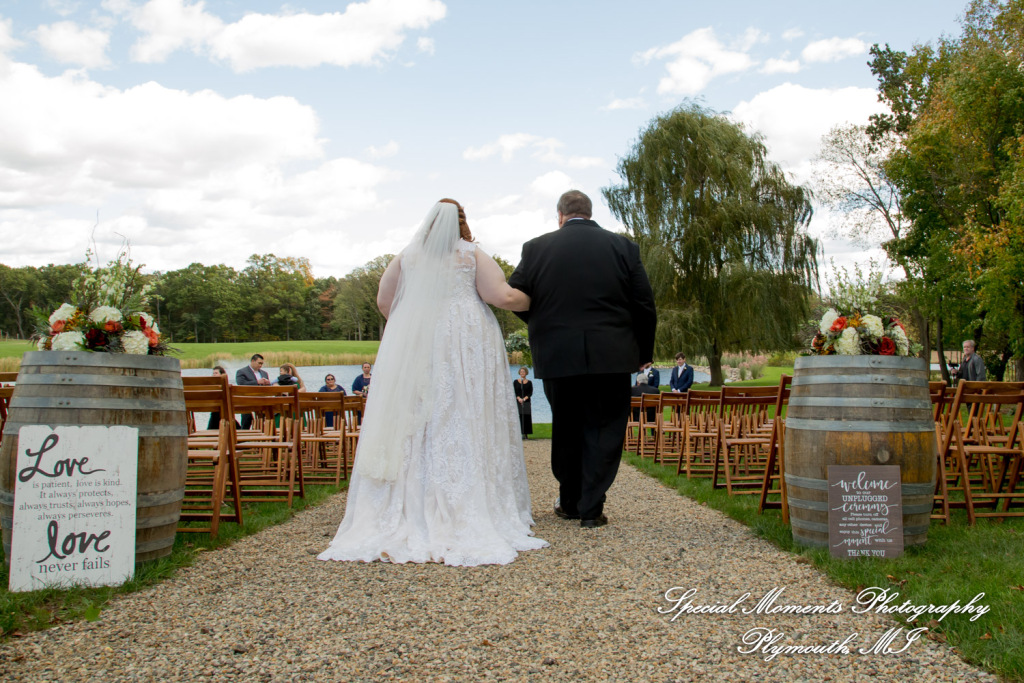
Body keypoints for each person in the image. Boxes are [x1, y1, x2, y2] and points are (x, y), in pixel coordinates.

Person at [319, 199, 547, 566]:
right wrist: (539, 297)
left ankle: (406, 503)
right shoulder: (470, 254)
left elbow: (385, 302)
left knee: (416, 419)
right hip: (464, 344)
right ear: (462, 223)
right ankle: (463, 503)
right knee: (463, 411)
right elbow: (500, 296)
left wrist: (414, 319)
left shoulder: (407, 256)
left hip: (418, 343)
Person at [509, 190, 657, 529]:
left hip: (558, 355)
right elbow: (644, 306)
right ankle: (591, 508)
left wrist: (542, 326)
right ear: (590, 213)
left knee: (566, 426)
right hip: (612, 355)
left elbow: (516, 298)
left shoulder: (536, 248)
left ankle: (571, 502)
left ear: (559, 215)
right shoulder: (623, 248)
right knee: (604, 429)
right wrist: (642, 355)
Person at [235, 353, 270, 429]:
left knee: (265, 417)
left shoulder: (264, 373)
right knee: (247, 419)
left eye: (262, 364)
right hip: (247, 400)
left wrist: (268, 383)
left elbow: (268, 388)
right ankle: (244, 436)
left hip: (262, 400)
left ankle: (263, 434)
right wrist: (257, 382)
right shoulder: (242, 372)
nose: (260, 365)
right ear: (253, 361)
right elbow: (241, 384)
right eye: (259, 363)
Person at [514, 366, 534, 439]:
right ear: (519, 373)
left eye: (524, 372)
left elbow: (530, 393)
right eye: (521, 372)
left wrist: (524, 399)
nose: (522, 373)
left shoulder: (529, 382)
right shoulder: (516, 382)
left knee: (526, 417)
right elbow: (514, 392)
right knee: (519, 417)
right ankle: (519, 434)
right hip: (518, 401)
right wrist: (519, 398)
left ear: (526, 373)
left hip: (526, 402)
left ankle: (526, 434)